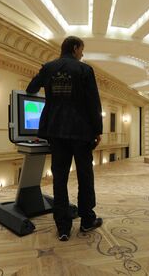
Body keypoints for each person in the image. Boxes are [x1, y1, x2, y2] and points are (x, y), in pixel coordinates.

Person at [26, 36, 103, 241]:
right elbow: (93, 103)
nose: (82, 54)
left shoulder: (49, 67)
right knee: (85, 176)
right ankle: (87, 220)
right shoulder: (84, 70)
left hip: (56, 131)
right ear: (76, 48)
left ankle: (62, 227)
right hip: (81, 131)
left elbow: (30, 88)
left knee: (59, 178)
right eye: (82, 50)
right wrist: (97, 130)